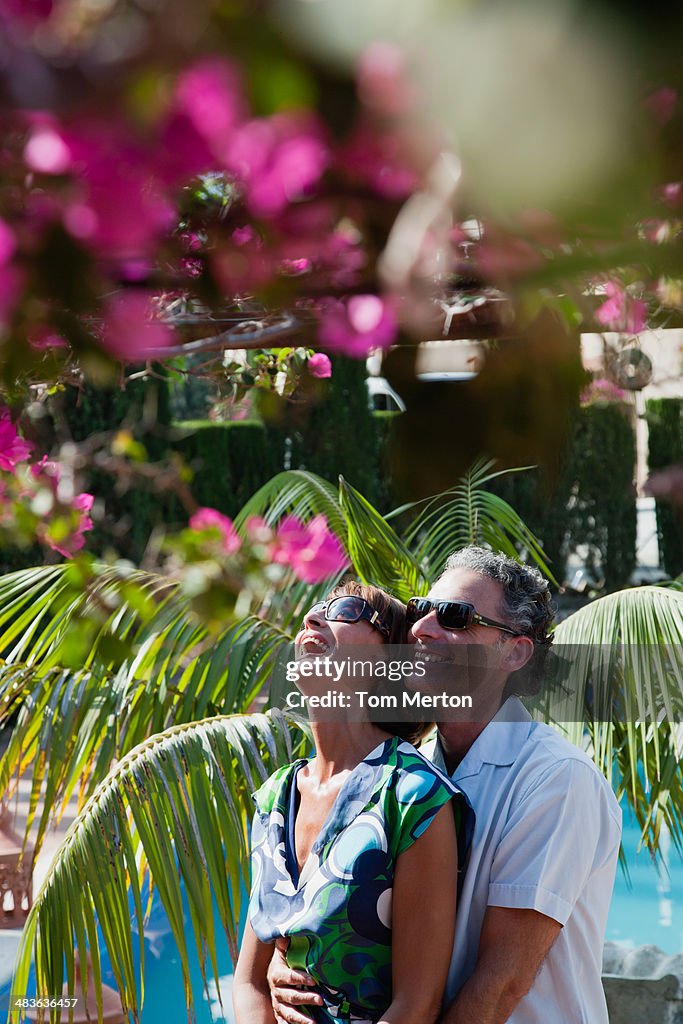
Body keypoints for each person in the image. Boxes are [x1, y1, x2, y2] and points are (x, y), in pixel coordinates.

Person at [268, 548, 622, 1024]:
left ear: (515, 651)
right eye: (420, 610)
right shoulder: (402, 778)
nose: (420, 630)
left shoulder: (557, 781)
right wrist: (281, 966)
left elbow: (500, 987)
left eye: (455, 617)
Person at [233, 580, 471, 1024]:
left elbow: (416, 1005)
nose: (312, 617)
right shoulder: (275, 797)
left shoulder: (412, 797)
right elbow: (249, 981)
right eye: (316, 606)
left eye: (344, 610)